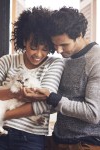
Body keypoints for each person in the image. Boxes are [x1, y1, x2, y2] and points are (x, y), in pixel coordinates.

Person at [0, 6, 64, 150]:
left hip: (30, 137)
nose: (39, 54)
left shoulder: (55, 64)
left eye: (45, 49)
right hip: (0, 136)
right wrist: (14, 93)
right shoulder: (7, 61)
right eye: (33, 47)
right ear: (24, 41)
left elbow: (44, 103)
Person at [21, 7, 100, 150]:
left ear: (80, 34)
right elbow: (63, 102)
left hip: (85, 144)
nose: (58, 50)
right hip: (57, 141)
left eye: (64, 45)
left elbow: (93, 113)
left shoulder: (96, 60)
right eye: (55, 45)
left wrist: (51, 98)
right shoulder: (64, 60)